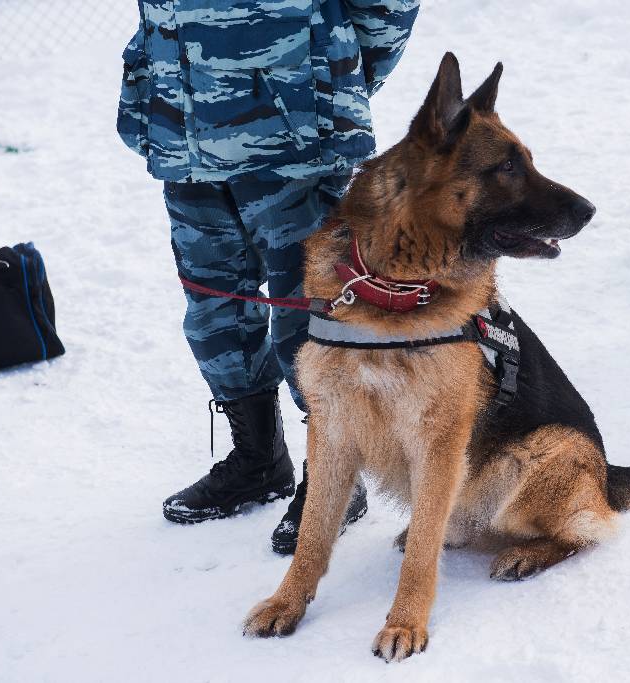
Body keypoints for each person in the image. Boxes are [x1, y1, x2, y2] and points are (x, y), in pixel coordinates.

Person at [117, 0, 419, 553]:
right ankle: (258, 458)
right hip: (182, 126)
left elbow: (388, 9)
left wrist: (323, 73)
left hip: (291, 138)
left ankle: (336, 472)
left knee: (311, 311)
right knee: (213, 308)